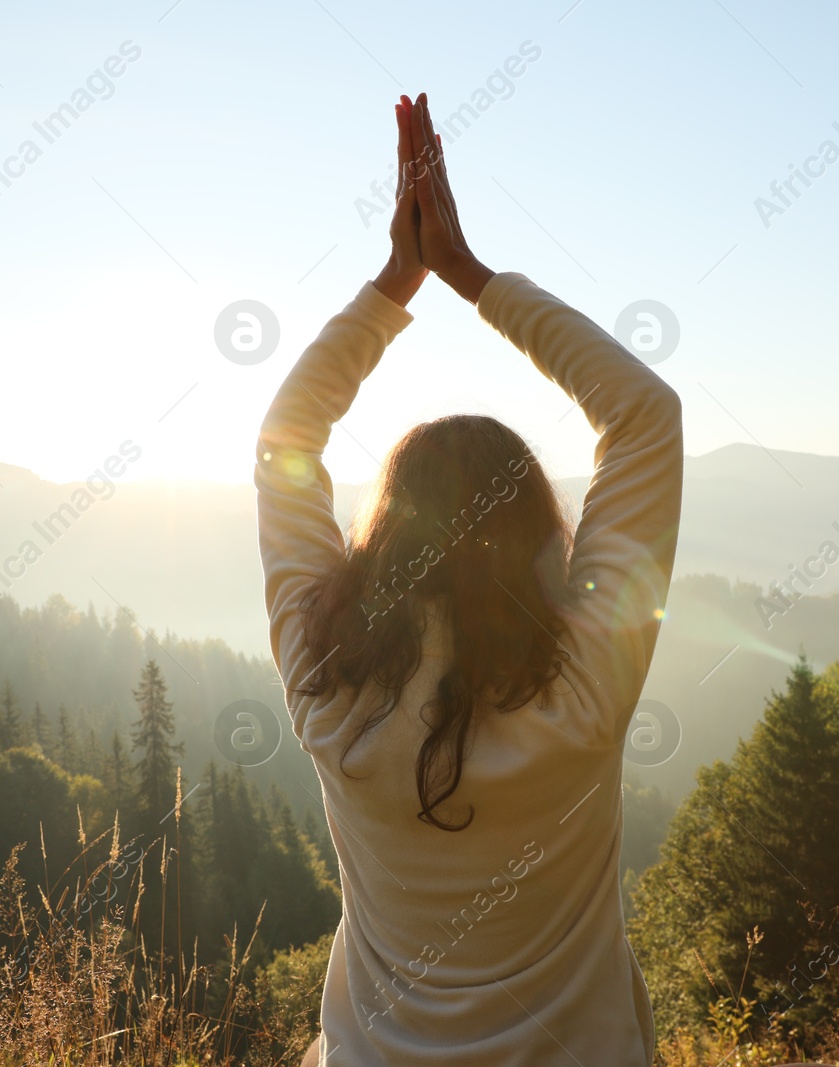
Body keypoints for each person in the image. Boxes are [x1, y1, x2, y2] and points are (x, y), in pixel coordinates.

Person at [255, 92, 682, 1066]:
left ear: (382, 539)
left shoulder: (326, 688)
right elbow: (644, 415)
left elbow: (285, 441)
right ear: (537, 531)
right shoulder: (584, 690)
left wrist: (394, 283)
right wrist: (465, 272)